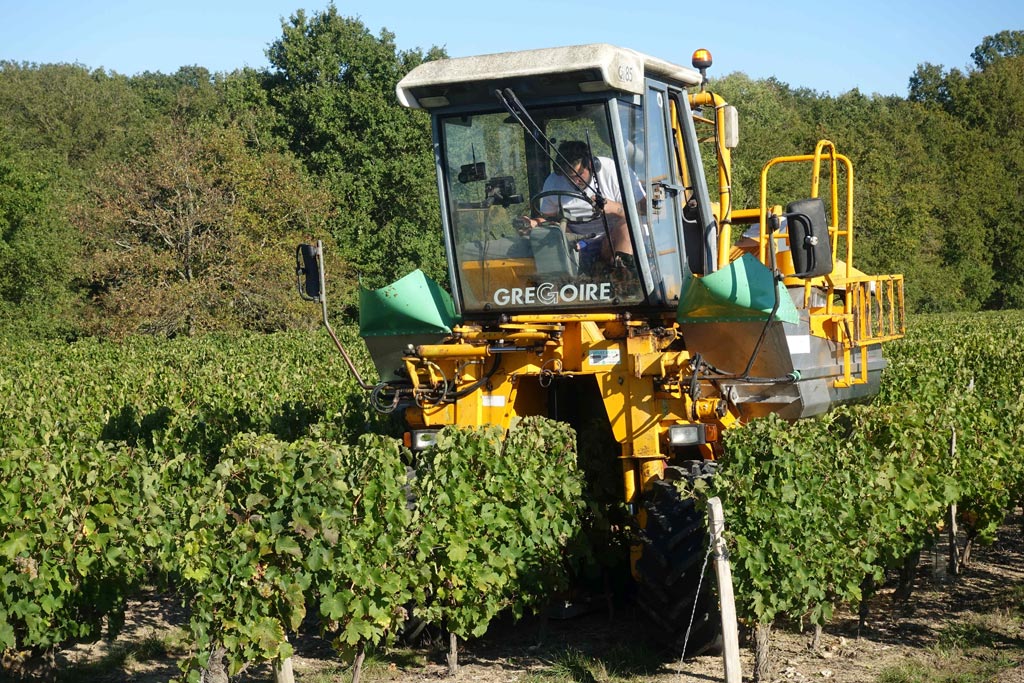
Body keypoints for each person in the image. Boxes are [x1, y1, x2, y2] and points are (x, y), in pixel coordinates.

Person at [534, 141, 644, 272]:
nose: (575, 181)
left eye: (579, 175)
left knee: (628, 227)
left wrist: (614, 208)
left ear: (591, 165)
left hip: (611, 241)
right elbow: (549, 220)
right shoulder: (553, 182)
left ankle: (622, 279)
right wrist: (534, 223)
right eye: (569, 177)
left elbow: (645, 211)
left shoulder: (613, 172)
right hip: (576, 245)